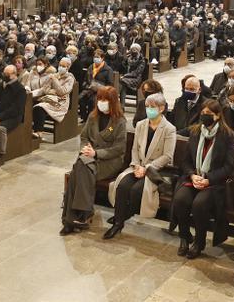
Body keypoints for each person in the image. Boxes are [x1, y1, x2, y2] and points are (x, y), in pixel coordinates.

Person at [172, 100, 234, 259]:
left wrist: (208, 179)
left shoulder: (228, 136)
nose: (204, 116)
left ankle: (199, 242)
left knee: (199, 204)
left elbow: (229, 166)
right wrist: (192, 175)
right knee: (180, 199)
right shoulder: (195, 132)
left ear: (217, 116)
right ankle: (184, 236)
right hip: (194, 178)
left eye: (208, 114)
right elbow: (186, 160)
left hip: (214, 183)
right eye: (203, 113)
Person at [105, 92, 176, 239]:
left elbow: (167, 156)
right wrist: (137, 165)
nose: (149, 109)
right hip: (137, 167)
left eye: (153, 107)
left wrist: (147, 167)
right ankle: (118, 223)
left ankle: (123, 216)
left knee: (138, 190)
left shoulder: (169, 129)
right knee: (122, 185)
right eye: (147, 106)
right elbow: (135, 149)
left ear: (161, 108)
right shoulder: (140, 125)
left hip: (155, 170)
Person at [61, 86, 126, 235]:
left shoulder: (119, 121)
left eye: (105, 100)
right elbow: (84, 137)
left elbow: (119, 148)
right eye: (100, 99)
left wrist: (96, 153)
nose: (102, 102)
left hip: (109, 161)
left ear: (113, 101)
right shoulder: (93, 117)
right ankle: (81, 215)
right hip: (89, 157)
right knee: (81, 168)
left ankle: (70, 219)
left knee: (79, 169)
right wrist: (86, 148)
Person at [32, 56, 77, 135]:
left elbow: (63, 92)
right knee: (32, 104)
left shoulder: (70, 78)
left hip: (61, 102)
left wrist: (55, 81)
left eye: (63, 66)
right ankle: (33, 130)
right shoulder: (54, 75)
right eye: (60, 65)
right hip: (50, 99)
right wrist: (51, 92)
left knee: (39, 107)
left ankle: (39, 132)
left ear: (68, 67)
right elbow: (45, 89)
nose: (60, 67)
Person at [79, 49, 114, 121]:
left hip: (100, 92)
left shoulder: (108, 69)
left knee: (92, 101)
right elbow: (85, 80)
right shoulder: (91, 67)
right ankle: (84, 118)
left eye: (98, 57)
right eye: (95, 57)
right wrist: (87, 86)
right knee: (81, 99)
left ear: (102, 58)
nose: (96, 59)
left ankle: (91, 119)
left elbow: (110, 84)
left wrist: (99, 87)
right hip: (89, 89)